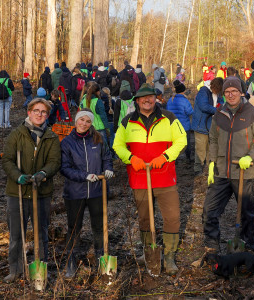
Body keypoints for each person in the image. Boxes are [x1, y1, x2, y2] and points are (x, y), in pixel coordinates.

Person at [112, 83, 187, 275]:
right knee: (145, 218)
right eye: (143, 98)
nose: (147, 100)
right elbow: (117, 144)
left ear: (156, 99)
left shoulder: (168, 118)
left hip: (165, 177)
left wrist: (165, 157)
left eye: (151, 97)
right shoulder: (127, 121)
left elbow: (181, 140)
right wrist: (130, 158)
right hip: (139, 178)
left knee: (172, 217)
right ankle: (148, 251)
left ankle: (169, 256)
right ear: (137, 100)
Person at [203, 76, 254, 253]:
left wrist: (251, 157)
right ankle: (211, 248)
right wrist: (211, 163)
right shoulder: (219, 113)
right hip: (222, 171)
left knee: (247, 214)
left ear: (241, 92)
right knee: (210, 210)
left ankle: (248, 249)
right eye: (227, 92)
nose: (231, 95)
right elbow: (214, 139)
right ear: (223, 94)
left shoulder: (252, 113)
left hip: (245, 172)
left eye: (234, 91)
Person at [1, 98, 61, 282]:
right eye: (36, 110)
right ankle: (16, 269)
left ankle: (40, 267)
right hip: (17, 192)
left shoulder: (51, 137)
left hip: (41, 193)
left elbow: (55, 162)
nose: (39, 114)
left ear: (47, 115)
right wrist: (17, 175)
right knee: (17, 234)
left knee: (41, 232)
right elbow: (7, 160)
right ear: (29, 112)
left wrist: (43, 173)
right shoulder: (16, 135)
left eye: (43, 112)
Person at [60, 109, 114, 278]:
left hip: (98, 191)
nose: (84, 124)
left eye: (88, 121)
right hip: (75, 192)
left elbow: (107, 157)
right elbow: (64, 168)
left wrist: (108, 169)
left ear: (92, 123)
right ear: (76, 121)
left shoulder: (98, 138)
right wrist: (84, 176)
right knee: (74, 227)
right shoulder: (67, 142)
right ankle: (71, 260)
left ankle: (101, 257)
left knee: (98, 226)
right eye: (81, 120)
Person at [166, 80, 194, 161]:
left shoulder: (170, 100)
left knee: (175, 143)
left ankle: (175, 159)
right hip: (184, 126)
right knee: (186, 143)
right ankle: (188, 157)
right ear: (183, 91)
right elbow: (190, 112)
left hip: (173, 126)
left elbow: (167, 111)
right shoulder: (185, 101)